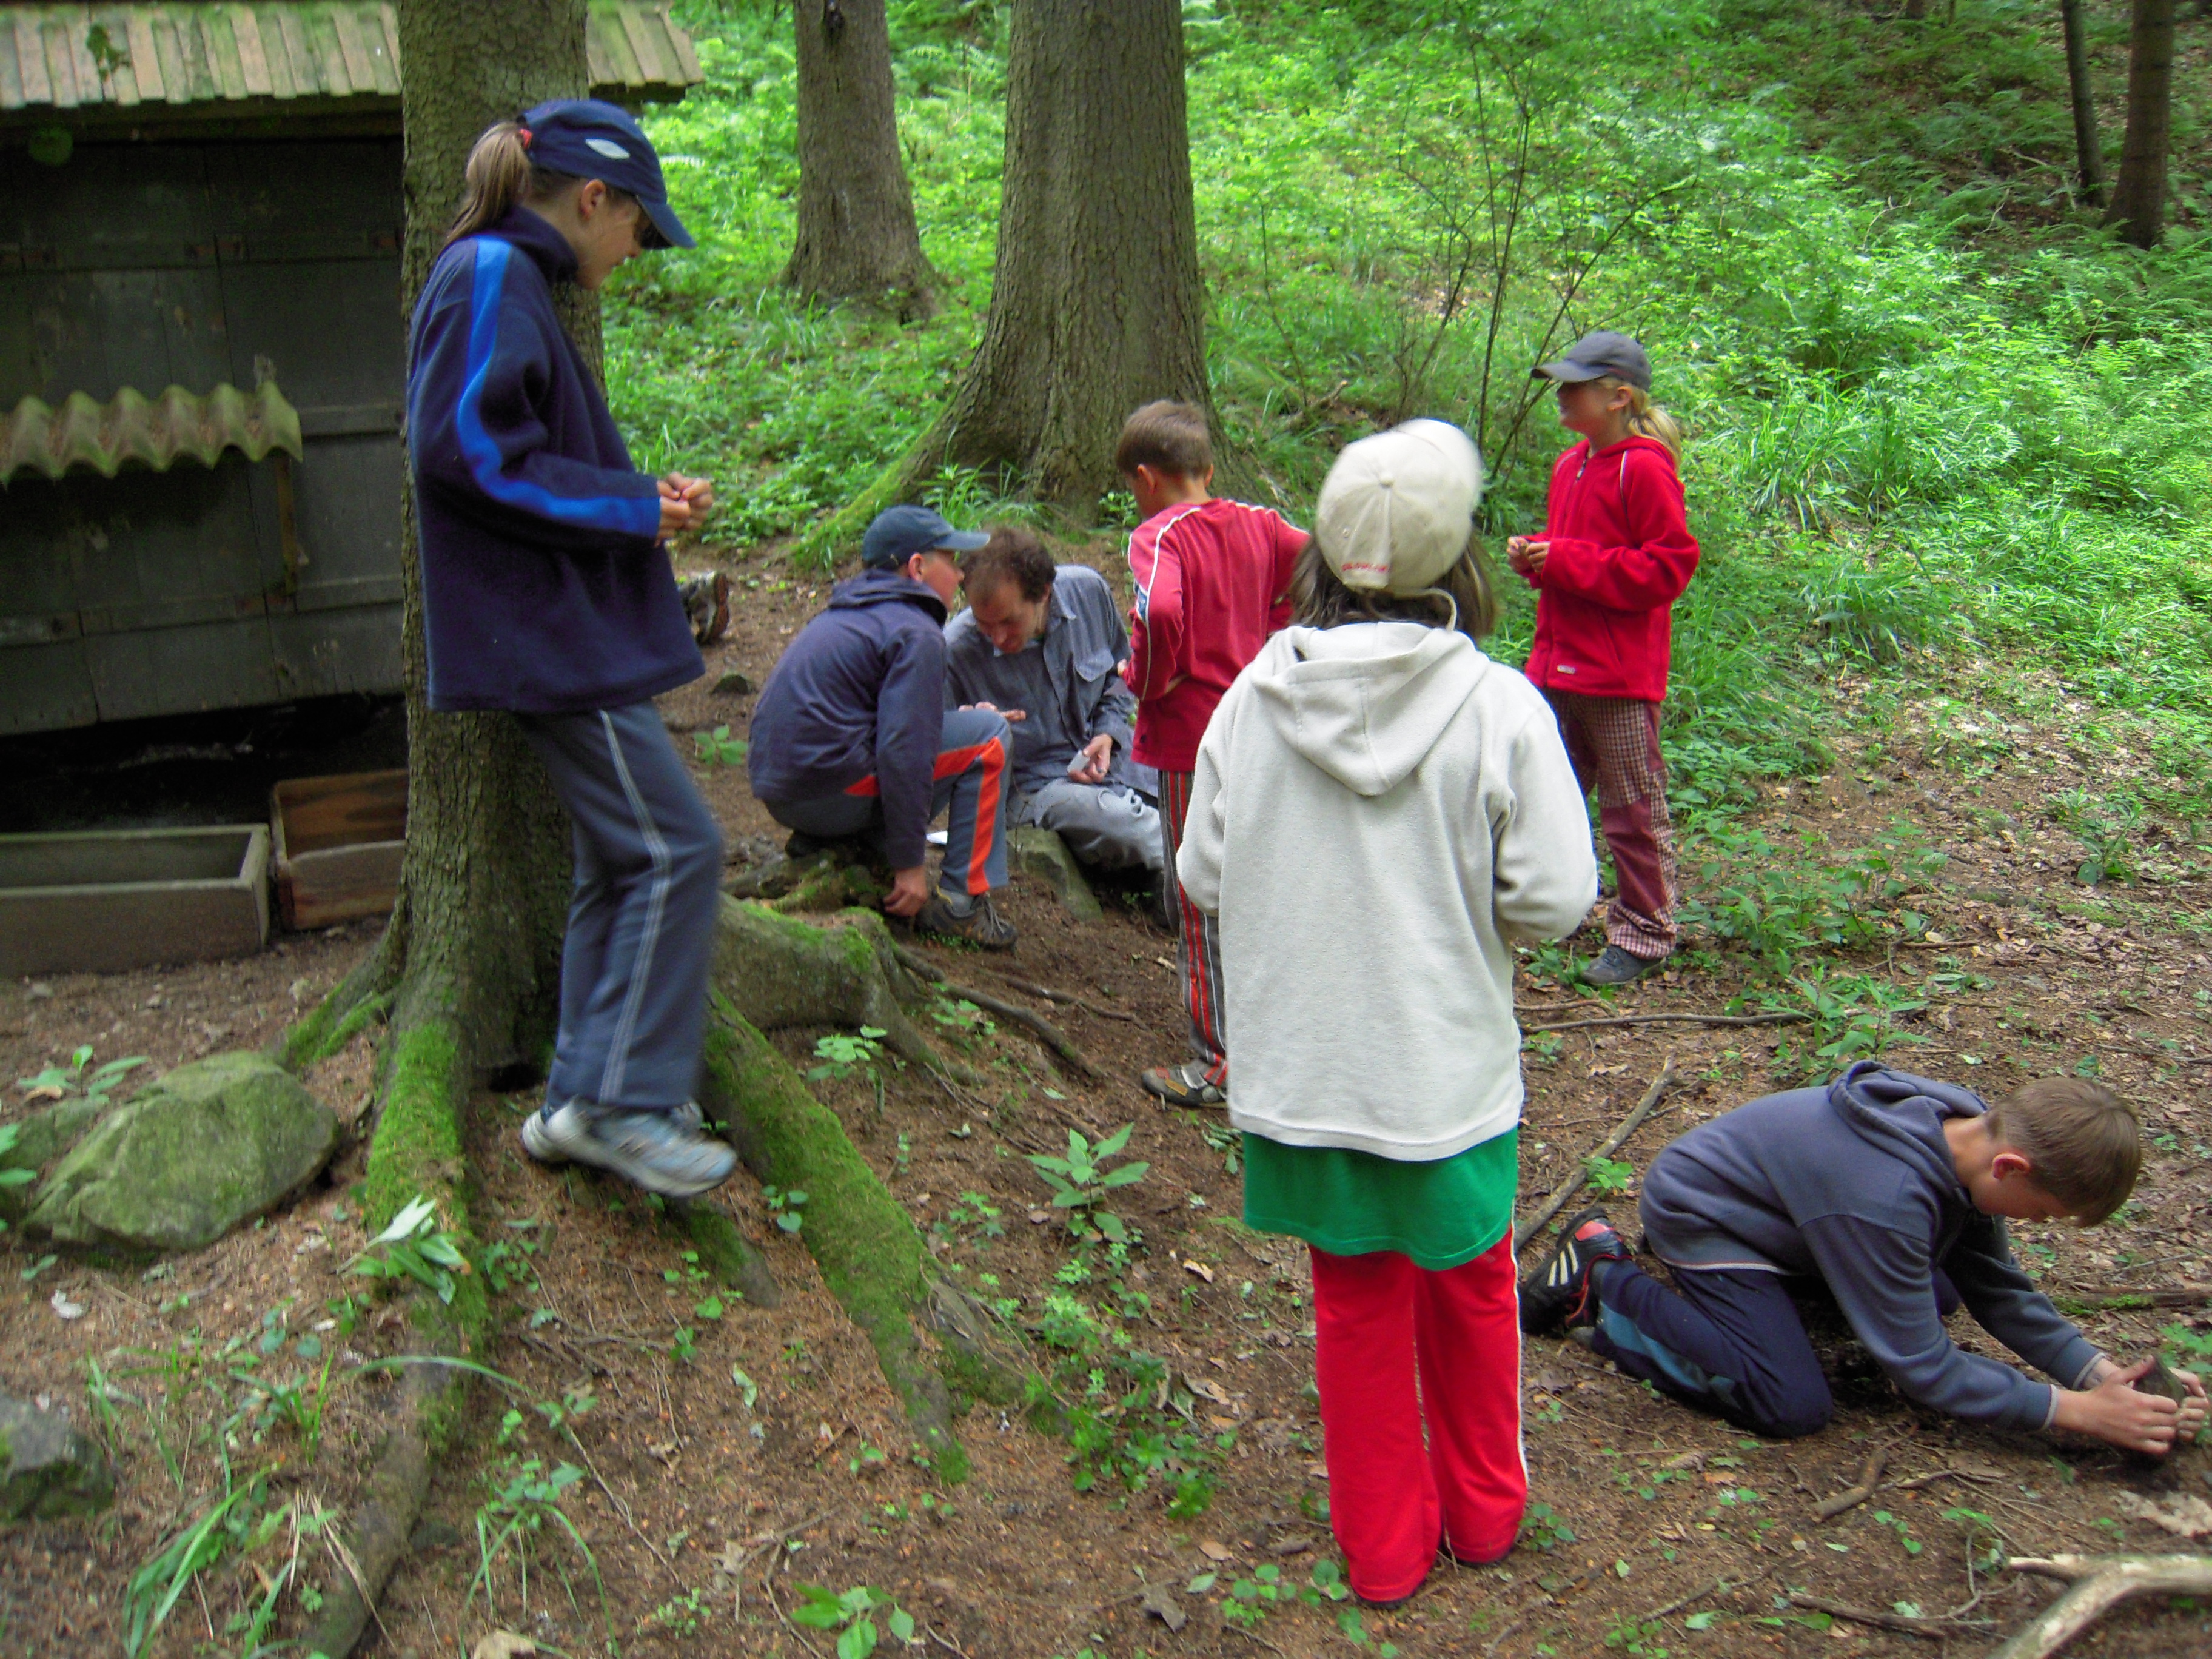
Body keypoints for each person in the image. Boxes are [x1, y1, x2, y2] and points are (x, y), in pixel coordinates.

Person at [1178, 421, 1598, 1603]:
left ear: (1319, 554)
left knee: (1353, 1308)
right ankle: (1485, 1515)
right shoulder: (1499, 707)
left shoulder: (1255, 700)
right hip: (1443, 1074)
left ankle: (1381, 1552)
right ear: (1457, 559)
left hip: (1306, 1075)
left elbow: (1203, 873)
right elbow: (1555, 900)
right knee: (1471, 1287)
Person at [407, 101, 736, 1198]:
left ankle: (574, 1099)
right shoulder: (491, 273)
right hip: (547, 634)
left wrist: (641, 500)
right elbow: (466, 453)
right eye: (638, 227)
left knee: (620, 856)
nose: (637, 251)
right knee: (679, 850)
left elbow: (517, 450)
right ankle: (618, 1105)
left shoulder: (512, 282)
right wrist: (629, 506)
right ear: (594, 199)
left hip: (556, 629)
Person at [1518, 1064, 2210, 1454]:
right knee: (1788, 1403)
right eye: (2044, 1214)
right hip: (1707, 1215)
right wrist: (2078, 1412)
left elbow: (1996, 1289)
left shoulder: (1968, 1134)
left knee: (1939, 1292)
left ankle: (1776, 1301)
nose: (2037, 1226)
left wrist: (2100, 1375)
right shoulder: (1886, 1197)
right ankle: (1600, 1281)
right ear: (2011, 1167)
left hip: (1793, 1214)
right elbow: (1924, 1370)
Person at [1118, 400, 1309, 1108]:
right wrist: (1273, 639)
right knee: (1263, 880)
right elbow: (1319, 567)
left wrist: (1150, 678)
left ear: (1146, 478)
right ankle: (1280, 1037)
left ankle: (1221, 1060)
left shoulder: (1158, 535)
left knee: (1201, 889)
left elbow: (1161, 612)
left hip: (1191, 740)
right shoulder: (1264, 524)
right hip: (1263, 726)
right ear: (1206, 466)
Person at [1507, 330, 1698, 986]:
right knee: (1545, 795)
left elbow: (1667, 568)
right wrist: (1539, 556)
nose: (1561, 395)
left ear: (1618, 397)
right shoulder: (1572, 465)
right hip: (1558, 665)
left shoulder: (1642, 468)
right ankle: (1545, 907)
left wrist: (1565, 559)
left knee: (1631, 807)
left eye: (1575, 385)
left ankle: (1646, 932)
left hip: (1617, 677)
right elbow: (1584, 553)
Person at [747, 506, 1018, 949]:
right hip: (830, 795)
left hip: (784, 794)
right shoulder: (915, 631)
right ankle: (961, 906)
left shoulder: (848, 613)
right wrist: (910, 865)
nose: (960, 575)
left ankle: (842, 846)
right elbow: (905, 752)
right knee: (989, 738)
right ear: (918, 567)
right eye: (951, 560)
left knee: (963, 733)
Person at [942, 528, 1165, 882]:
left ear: (1044, 592)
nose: (997, 638)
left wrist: (1108, 735)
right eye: (985, 625)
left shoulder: (1088, 593)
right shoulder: (954, 652)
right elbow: (932, 752)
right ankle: (1202, 871)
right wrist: (972, 728)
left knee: (1199, 796)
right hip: (1034, 790)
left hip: (1116, 762)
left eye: (1008, 622)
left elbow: (1120, 676)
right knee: (1127, 827)